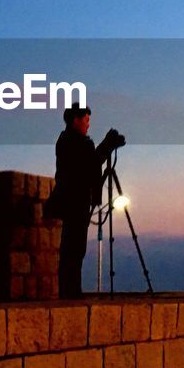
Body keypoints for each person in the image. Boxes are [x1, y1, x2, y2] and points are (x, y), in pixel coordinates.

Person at [45, 104, 124, 298]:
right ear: (76, 120)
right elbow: (89, 163)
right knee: (73, 248)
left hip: (76, 200)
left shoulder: (70, 141)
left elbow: (89, 163)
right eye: (86, 120)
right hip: (74, 201)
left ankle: (71, 290)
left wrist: (106, 147)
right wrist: (106, 145)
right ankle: (70, 292)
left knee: (75, 247)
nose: (88, 124)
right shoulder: (71, 141)